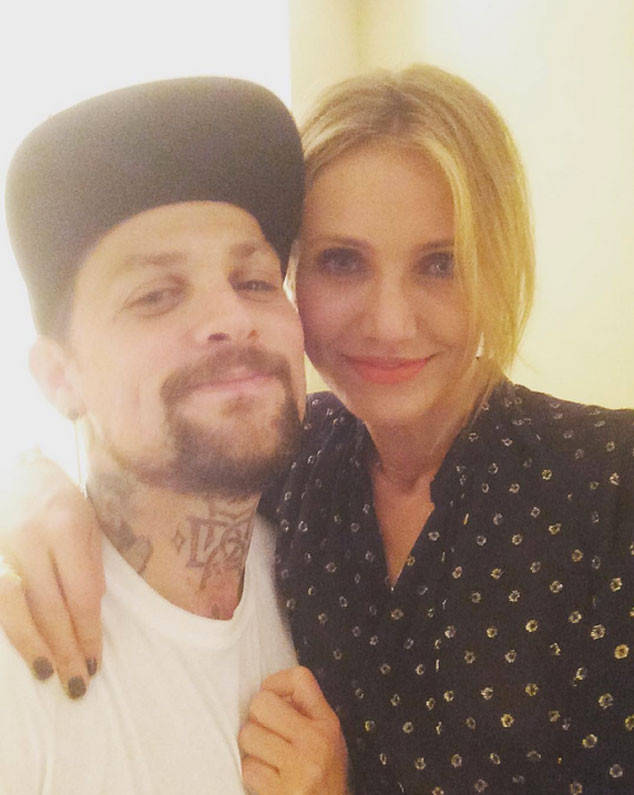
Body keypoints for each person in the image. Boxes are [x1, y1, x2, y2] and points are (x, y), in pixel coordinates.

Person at [1, 65, 632, 793]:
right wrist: (37, 485)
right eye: (342, 261)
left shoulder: (609, 485)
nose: (389, 322)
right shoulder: (297, 463)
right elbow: (166, 448)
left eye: (441, 263)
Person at [0, 77, 348, 794]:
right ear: (61, 377)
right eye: (155, 295)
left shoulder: (331, 560)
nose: (232, 317)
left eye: (256, 282)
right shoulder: (18, 654)